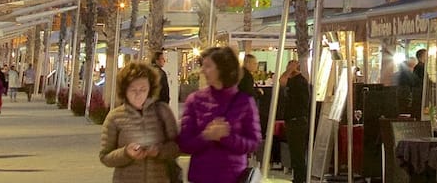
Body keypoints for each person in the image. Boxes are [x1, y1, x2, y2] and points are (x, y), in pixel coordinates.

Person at [180, 46, 262, 183]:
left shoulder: (244, 102)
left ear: (222, 69)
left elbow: (253, 142)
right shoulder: (194, 100)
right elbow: (184, 142)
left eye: (208, 66)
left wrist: (227, 137)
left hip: (232, 177)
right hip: (201, 176)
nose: (202, 70)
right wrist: (206, 136)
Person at [101, 62, 184, 183]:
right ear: (124, 90)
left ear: (150, 89)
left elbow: (177, 147)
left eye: (143, 89)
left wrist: (159, 151)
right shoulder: (115, 117)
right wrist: (126, 153)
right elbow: (105, 157)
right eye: (133, 90)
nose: (138, 94)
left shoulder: (163, 111)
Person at [276, 60, 312, 183]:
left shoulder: (299, 81)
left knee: (298, 153)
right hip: (293, 120)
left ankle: (300, 179)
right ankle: (299, 178)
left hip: (297, 121)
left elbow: (281, 80)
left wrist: (289, 69)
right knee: (296, 152)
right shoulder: (296, 81)